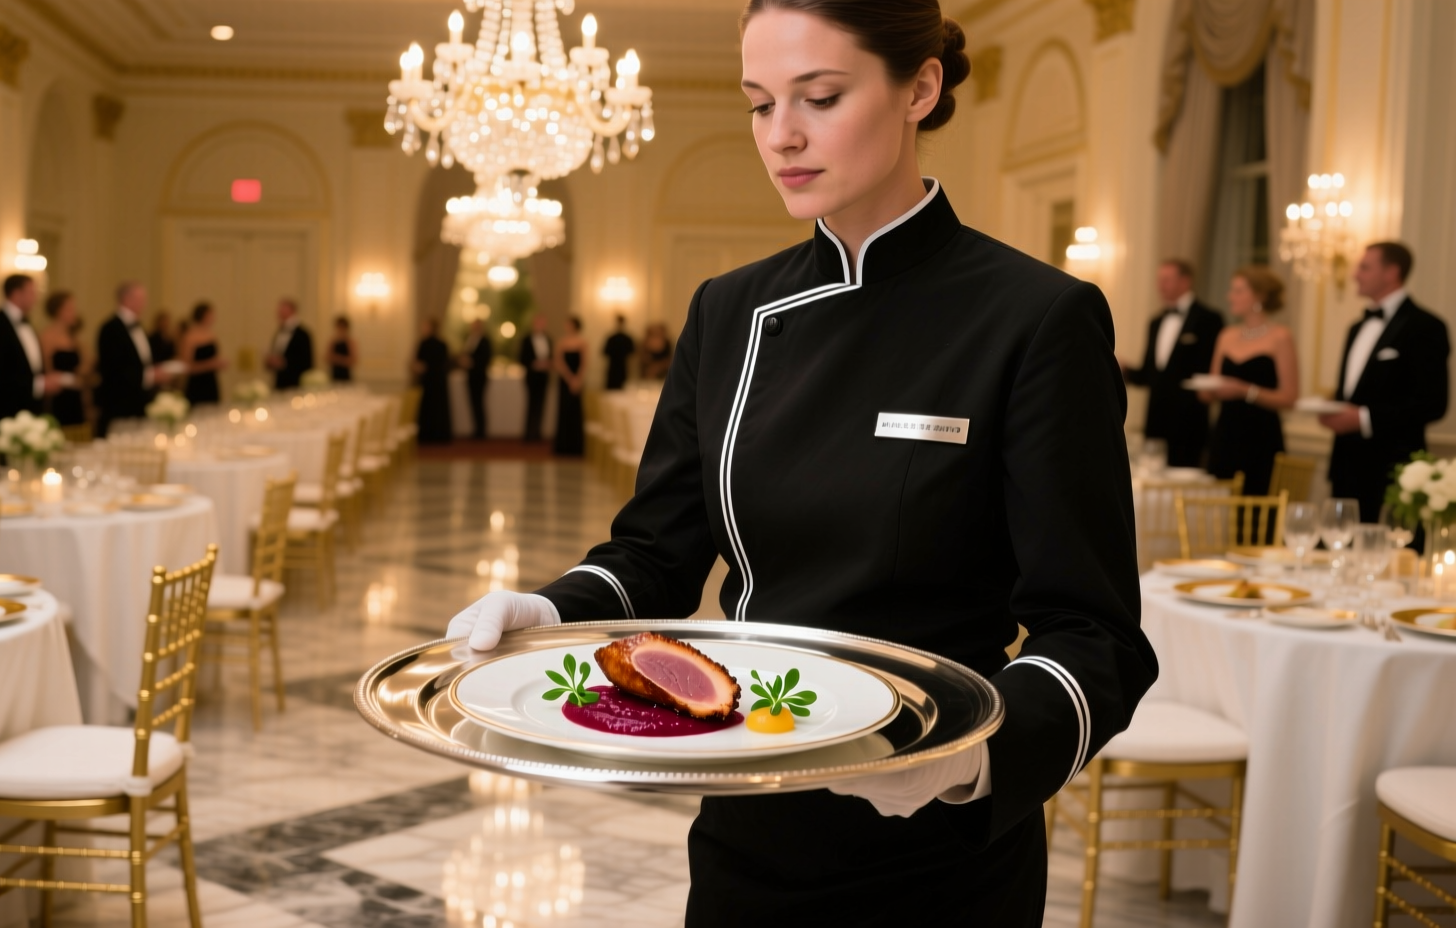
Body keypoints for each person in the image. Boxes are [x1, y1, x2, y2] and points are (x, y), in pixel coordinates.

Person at [446, 3, 1155, 923]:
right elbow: (655, 554)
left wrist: (971, 760)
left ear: (921, 88)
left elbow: (1094, 635)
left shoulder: (1035, 318)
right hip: (752, 825)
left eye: (820, 97)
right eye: (758, 103)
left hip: (938, 848)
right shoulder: (727, 312)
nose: (782, 136)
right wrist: (545, 607)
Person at [1320, 242, 1450, 516]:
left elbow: (1432, 404)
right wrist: (1332, 410)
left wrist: (1364, 418)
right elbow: (1357, 394)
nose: (1355, 274)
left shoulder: (1425, 326)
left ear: (1392, 272)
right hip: (1345, 463)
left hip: (1392, 468)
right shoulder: (1356, 328)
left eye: (1365, 267)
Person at [1197, 267, 1298, 495]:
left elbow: (1290, 398)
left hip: (1261, 438)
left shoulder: (1280, 337)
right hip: (1224, 434)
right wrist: (1206, 390)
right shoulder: (1226, 336)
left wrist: (1245, 391)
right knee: (1220, 509)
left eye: (1238, 290)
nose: (1230, 296)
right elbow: (1210, 388)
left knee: (1257, 511)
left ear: (1259, 295)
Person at [1121, 259, 1224, 468]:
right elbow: (1150, 374)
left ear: (1186, 281)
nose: (1160, 285)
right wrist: (1124, 370)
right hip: (1156, 419)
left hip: (1190, 421)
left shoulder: (1209, 319)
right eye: (1160, 280)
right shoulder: (1156, 321)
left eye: (1167, 279)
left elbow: (1212, 372)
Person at [0, 275, 62, 446]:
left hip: (34, 416)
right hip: (6, 420)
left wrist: (46, 379)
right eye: (31, 292)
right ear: (16, 294)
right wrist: (39, 385)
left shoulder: (28, 325)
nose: (36, 298)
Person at [94, 281, 159, 438]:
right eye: (140, 298)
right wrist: (150, 376)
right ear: (126, 299)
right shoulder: (110, 328)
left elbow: (140, 361)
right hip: (120, 405)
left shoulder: (138, 326)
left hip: (140, 401)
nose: (145, 303)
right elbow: (113, 369)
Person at [39, 291, 87, 428]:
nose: (74, 313)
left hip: (75, 396)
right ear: (58, 311)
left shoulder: (74, 338)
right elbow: (45, 370)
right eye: (70, 309)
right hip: (58, 398)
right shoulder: (47, 337)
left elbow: (82, 366)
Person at [178, 301, 228, 406]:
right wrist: (211, 365)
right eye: (211, 314)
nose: (213, 317)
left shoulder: (211, 334)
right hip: (197, 385)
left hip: (211, 382)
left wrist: (219, 363)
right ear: (203, 316)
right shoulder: (190, 336)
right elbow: (186, 367)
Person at [412, 318, 453, 444]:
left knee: (429, 408)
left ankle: (427, 436)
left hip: (429, 381)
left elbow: (419, 364)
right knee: (437, 408)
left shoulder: (424, 343)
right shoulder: (443, 344)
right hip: (439, 382)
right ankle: (440, 435)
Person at [553, 317, 587, 456]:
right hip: (565, 381)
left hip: (577, 382)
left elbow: (585, 363)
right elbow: (558, 362)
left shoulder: (583, 342)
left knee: (575, 411)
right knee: (564, 410)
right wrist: (569, 378)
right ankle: (563, 445)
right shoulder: (561, 342)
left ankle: (575, 446)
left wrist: (577, 380)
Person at [265, 298, 314, 390]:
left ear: (292, 311)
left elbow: (307, 361)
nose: (278, 312)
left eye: (282, 310)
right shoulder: (279, 332)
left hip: (296, 384)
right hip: (279, 383)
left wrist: (284, 362)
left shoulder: (303, 334)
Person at [519, 315, 553, 441]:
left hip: (543, 376)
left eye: (542, 323)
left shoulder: (548, 339)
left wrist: (547, 364)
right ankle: (528, 433)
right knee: (530, 404)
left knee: (541, 405)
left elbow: (552, 356)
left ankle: (537, 432)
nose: (540, 325)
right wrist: (534, 363)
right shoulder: (526, 340)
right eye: (538, 323)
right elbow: (522, 358)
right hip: (531, 376)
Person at [462, 319, 493, 439]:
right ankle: (476, 429)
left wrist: (472, 363)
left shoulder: (485, 341)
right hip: (470, 376)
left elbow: (486, 359)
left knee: (479, 403)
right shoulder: (469, 340)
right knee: (473, 403)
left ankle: (481, 431)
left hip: (480, 376)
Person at [602, 314, 636, 390]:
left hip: (622, 367)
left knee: (622, 388)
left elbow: (632, 353)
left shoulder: (626, 338)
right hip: (613, 367)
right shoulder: (612, 338)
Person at [328, 315, 358, 383]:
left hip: (346, 376)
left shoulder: (350, 342)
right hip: (334, 375)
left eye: (342, 327)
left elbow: (353, 360)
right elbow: (327, 357)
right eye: (339, 327)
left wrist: (337, 359)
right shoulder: (333, 341)